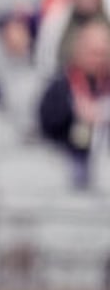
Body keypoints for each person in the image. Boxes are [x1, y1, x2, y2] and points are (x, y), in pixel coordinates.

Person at [39, 22, 110, 189]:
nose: (98, 60)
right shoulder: (61, 85)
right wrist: (74, 111)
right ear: (78, 51)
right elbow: (46, 125)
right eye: (93, 53)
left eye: (103, 54)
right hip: (68, 155)